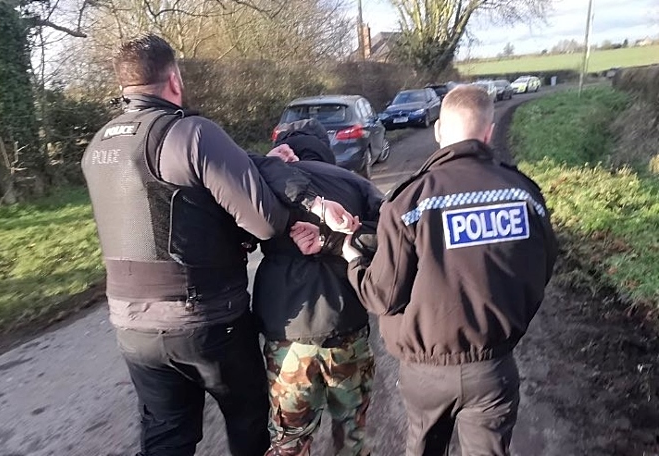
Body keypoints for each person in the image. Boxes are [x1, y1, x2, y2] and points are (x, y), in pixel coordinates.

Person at [80, 34, 354, 456]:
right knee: (247, 422)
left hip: (132, 328)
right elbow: (264, 223)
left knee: (166, 436)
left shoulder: (99, 146)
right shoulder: (191, 134)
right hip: (208, 321)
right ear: (174, 80)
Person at [342, 85, 558, 456]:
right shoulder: (526, 195)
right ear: (488, 132)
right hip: (493, 366)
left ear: (440, 131)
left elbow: (381, 295)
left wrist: (354, 262)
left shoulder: (410, 201)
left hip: (425, 374)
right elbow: (542, 268)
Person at [252, 119, 382, 456]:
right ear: (325, 147)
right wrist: (337, 240)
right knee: (351, 432)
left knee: (288, 440)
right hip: (346, 328)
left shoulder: (262, 183)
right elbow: (393, 232)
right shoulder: (353, 182)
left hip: (288, 336)